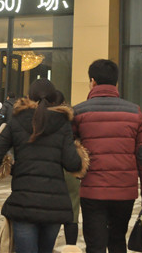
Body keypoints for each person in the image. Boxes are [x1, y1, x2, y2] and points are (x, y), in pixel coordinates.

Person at [0, 78, 89, 253]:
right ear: (54, 98)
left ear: (29, 97)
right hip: (54, 205)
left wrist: (12, 169)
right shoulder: (62, 122)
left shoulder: (17, 119)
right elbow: (73, 164)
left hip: (23, 203)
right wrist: (78, 150)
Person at [72, 59, 142, 253]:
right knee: (117, 241)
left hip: (92, 191)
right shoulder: (134, 112)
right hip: (124, 192)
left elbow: (69, 148)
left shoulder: (79, 112)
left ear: (92, 82)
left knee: (95, 245)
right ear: (116, 83)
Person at [54, 90, 81, 248]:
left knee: (50, 210)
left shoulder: (43, 118)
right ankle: (71, 247)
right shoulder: (73, 117)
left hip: (51, 167)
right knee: (72, 212)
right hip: (71, 168)